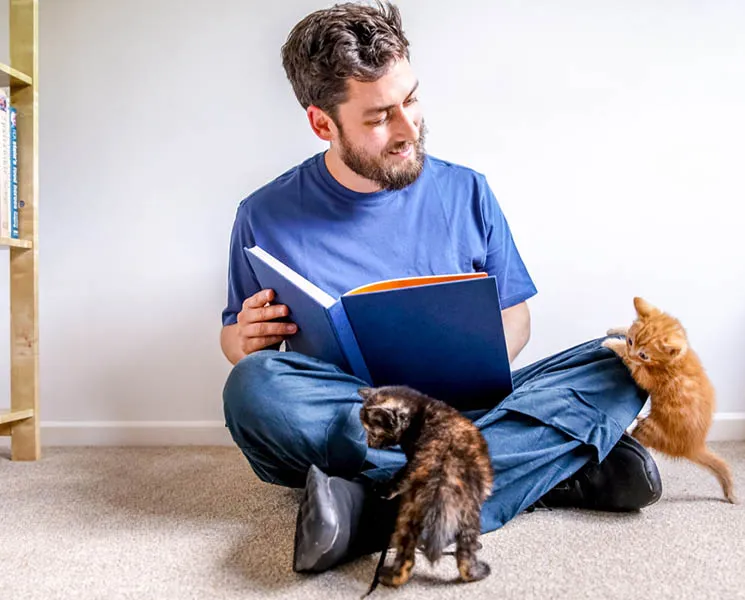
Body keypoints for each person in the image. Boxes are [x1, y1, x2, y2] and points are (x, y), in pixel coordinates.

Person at [220, 0, 661, 574]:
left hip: (469, 403)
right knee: (252, 386)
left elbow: (516, 315)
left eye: (411, 99)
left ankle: (372, 509)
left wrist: (476, 360)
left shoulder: (467, 192)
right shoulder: (264, 215)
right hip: (355, 421)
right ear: (323, 124)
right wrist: (243, 341)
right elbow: (238, 342)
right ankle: (546, 468)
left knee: (626, 361)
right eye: (380, 117)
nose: (409, 128)